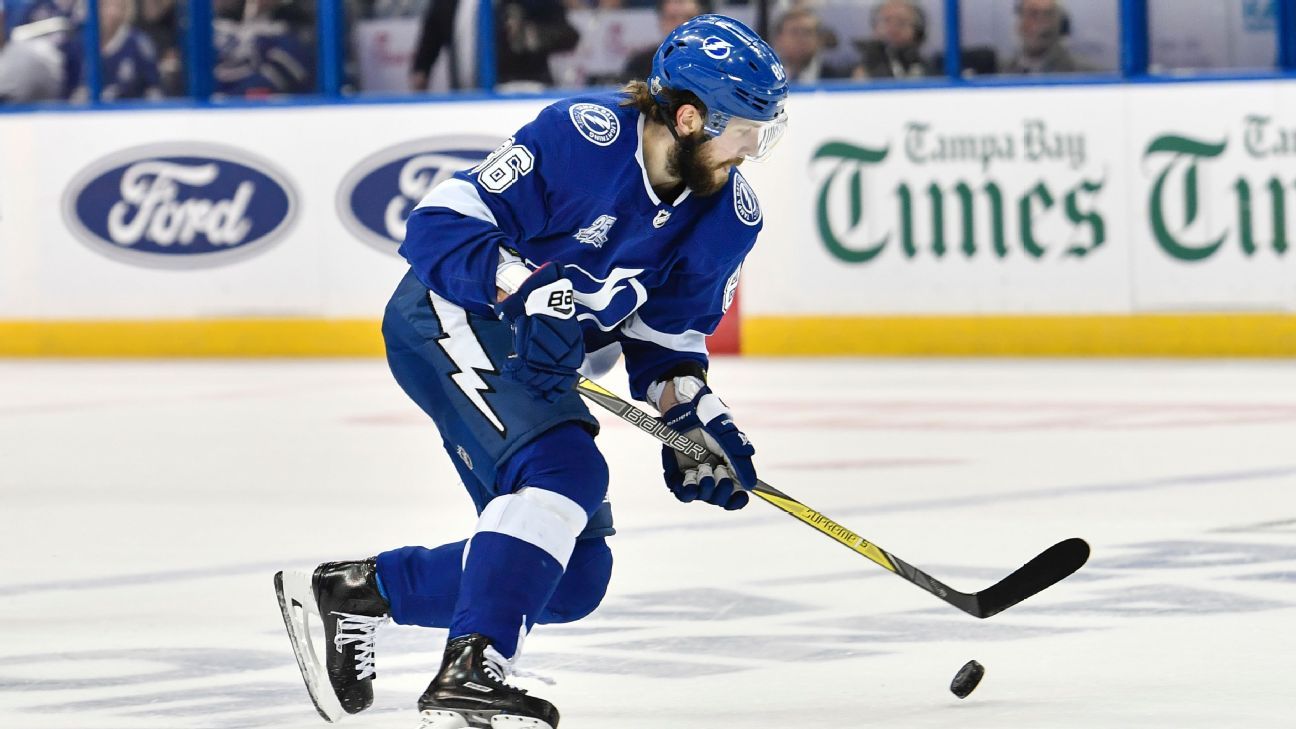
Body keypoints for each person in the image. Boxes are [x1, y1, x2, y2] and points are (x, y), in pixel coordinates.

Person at [275, 13, 788, 729]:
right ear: (690, 117)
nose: (755, 146)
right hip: (447, 315)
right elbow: (437, 221)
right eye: (744, 127)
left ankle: (359, 591)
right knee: (566, 472)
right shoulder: (584, 136)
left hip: (537, 354)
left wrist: (696, 417)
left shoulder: (730, 215)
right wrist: (522, 286)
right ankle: (472, 667)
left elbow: (665, 338)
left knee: (575, 576)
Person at [410, 0, 579, 92]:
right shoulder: (446, 3)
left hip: (521, 96)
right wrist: (421, 71)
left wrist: (530, 34)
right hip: (464, 101)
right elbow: (429, 44)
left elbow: (569, 35)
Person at [1001, 0, 1093, 75]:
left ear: (1060, 24)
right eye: (1033, 14)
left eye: (1047, 14)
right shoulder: (1000, 71)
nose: (1040, 23)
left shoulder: (1084, 74)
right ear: (1019, 22)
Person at [620, 0, 703, 82]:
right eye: (672, 18)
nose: (681, 24)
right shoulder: (639, 64)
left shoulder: (714, 63)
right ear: (662, 22)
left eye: (689, 18)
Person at [98, 0, 163, 100]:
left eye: (117, 6)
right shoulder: (83, 42)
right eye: (106, 5)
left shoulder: (139, 43)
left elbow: (154, 89)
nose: (112, 12)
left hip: (131, 112)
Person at [853, 0, 931, 80]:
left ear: (917, 31)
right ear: (875, 27)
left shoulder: (933, 72)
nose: (893, 29)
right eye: (887, 21)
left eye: (901, 22)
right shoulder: (856, 71)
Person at [771, 6, 850, 83]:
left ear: (819, 40)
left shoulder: (838, 78)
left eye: (807, 32)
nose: (801, 39)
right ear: (778, 39)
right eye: (794, 32)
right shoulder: (766, 77)